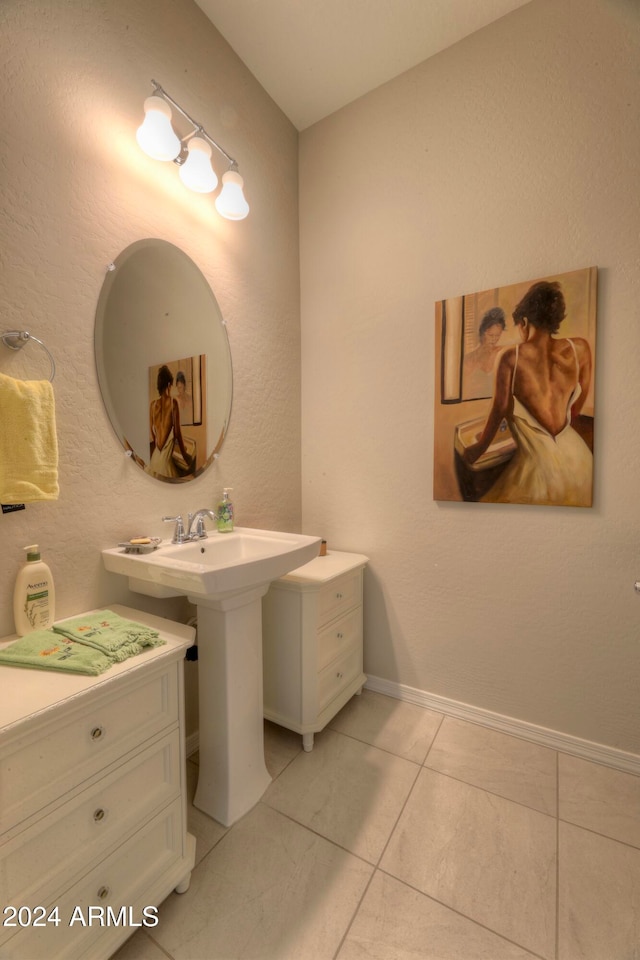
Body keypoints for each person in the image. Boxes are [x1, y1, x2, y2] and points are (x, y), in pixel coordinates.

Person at [463, 281, 592, 506]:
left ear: (524, 322)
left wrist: (477, 449)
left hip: (539, 471)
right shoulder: (579, 349)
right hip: (580, 463)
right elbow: (576, 409)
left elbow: (498, 411)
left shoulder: (510, 358)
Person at [147, 365, 192, 478]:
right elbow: (177, 434)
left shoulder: (152, 406)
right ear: (168, 384)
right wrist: (185, 456)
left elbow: (153, 435)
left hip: (154, 461)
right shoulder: (173, 403)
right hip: (165, 465)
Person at [463, 307, 506, 398]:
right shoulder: (469, 358)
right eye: (491, 335)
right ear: (482, 333)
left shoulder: (501, 353)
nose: (494, 339)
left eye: (498, 335)